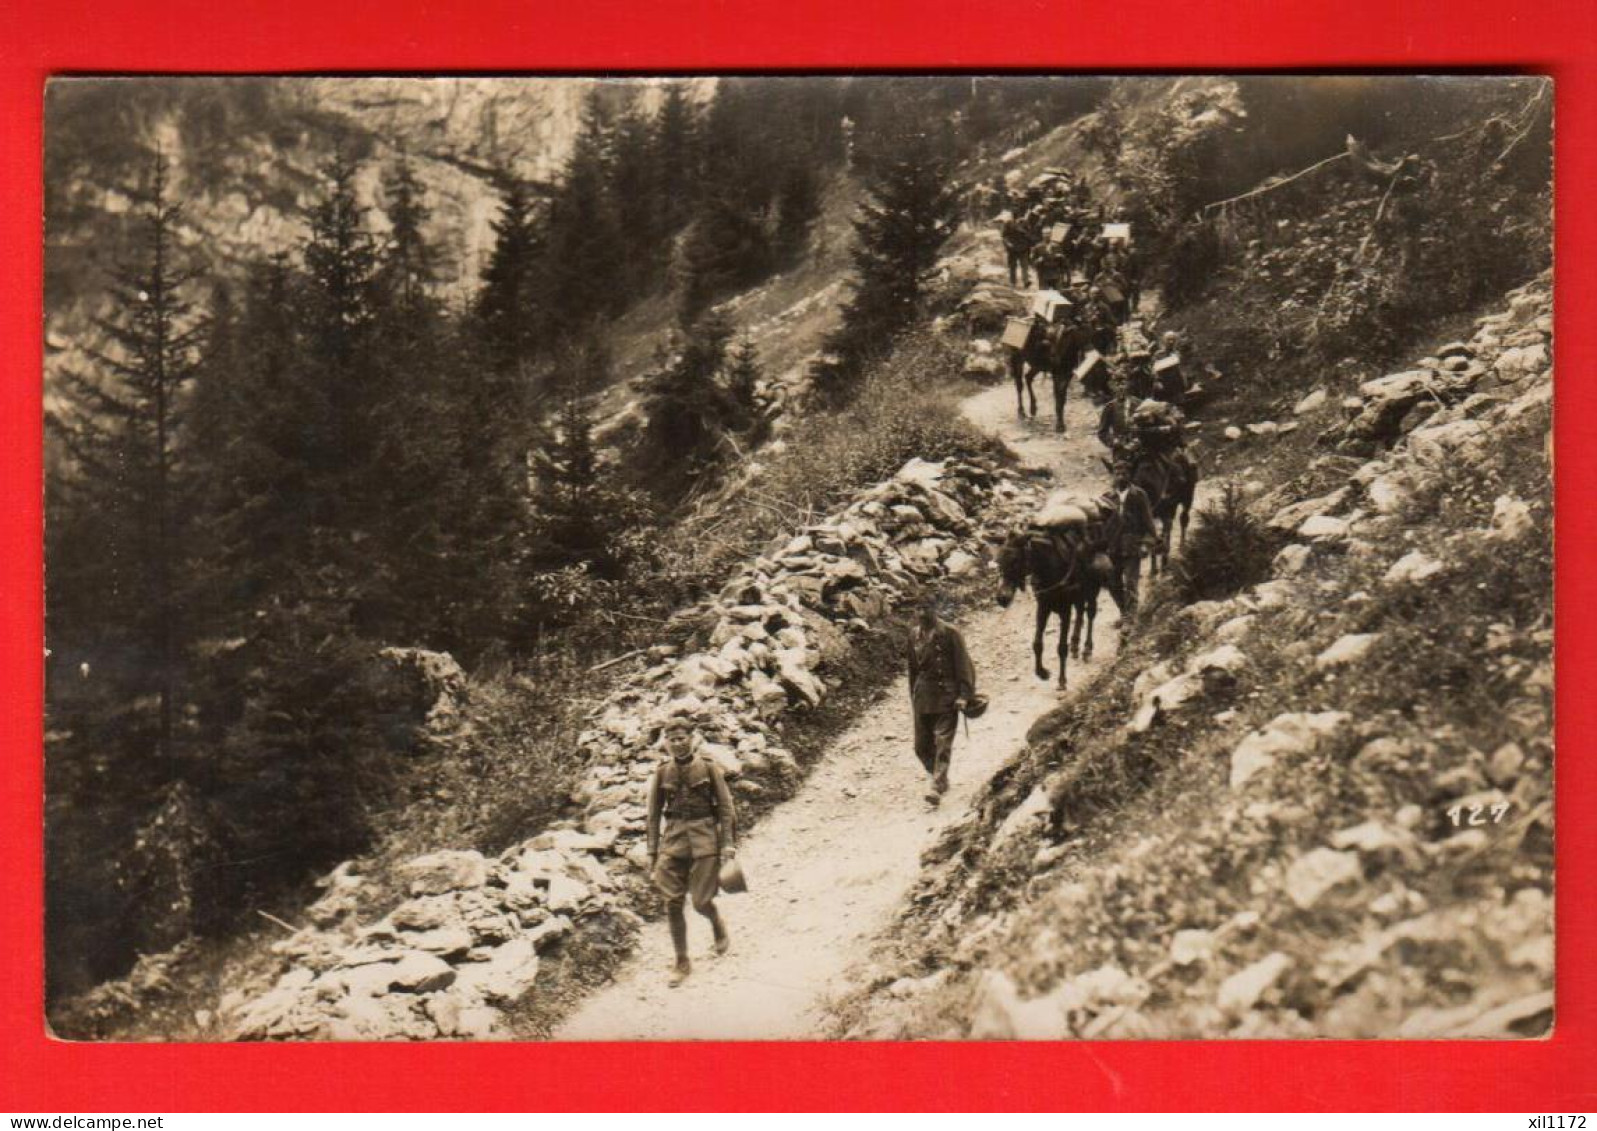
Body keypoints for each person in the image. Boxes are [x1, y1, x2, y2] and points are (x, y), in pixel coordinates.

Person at [646, 715, 738, 986]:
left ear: (692, 739)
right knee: (672, 902)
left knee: (699, 902)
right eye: (672, 740)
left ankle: (716, 922)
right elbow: (652, 815)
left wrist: (728, 844)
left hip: (704, 840)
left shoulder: (709, 768)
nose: (677, 744)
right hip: (673, 842)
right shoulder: (662, 772)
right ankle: (682, 961)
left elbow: (725, 808)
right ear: (666, 743)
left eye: (682, 738)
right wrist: (652, 852)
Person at [906, 596, 976, 807]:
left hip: (946, 695)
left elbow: (964, 664)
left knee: (942, 742)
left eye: (926, 608)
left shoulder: (950, 633)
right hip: (923, 697)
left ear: (935, 609)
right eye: (918, 609)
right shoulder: (913, 635)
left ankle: (936, 785)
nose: (921, 613)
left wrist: (964, 695)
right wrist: (913, 695)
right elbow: (912, 669)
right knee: (920, 747)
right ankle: (939, 776)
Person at [1101, 461, 1158, 621]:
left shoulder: (1139, 495)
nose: (1120, 477)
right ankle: (1124, 612)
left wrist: (1146, 544)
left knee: (1131, 584)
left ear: (1130, 475)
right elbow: (1101, 525)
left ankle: (1130, 619)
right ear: (1113, 475)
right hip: (1112, 547)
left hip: (1132, 547)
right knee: (1112, 583)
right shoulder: (1106, 497)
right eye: (1117, 473)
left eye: (1124, 473)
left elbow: (1149, 524)